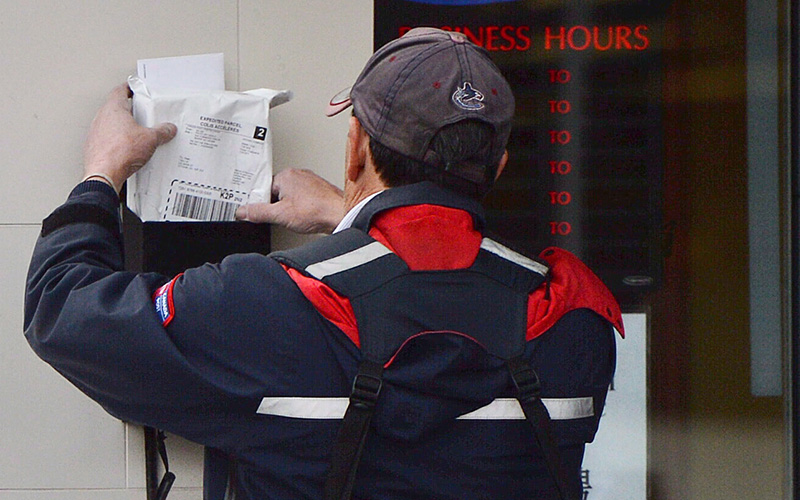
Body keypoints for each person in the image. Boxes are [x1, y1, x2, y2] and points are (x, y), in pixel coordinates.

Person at [25, 28, 623, 500]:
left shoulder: (267, 307)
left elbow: (65, 311)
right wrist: (350, 217)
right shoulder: (577, 323)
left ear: (356, 144)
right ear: (496, 167)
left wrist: (99, 175)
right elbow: (445, 298)